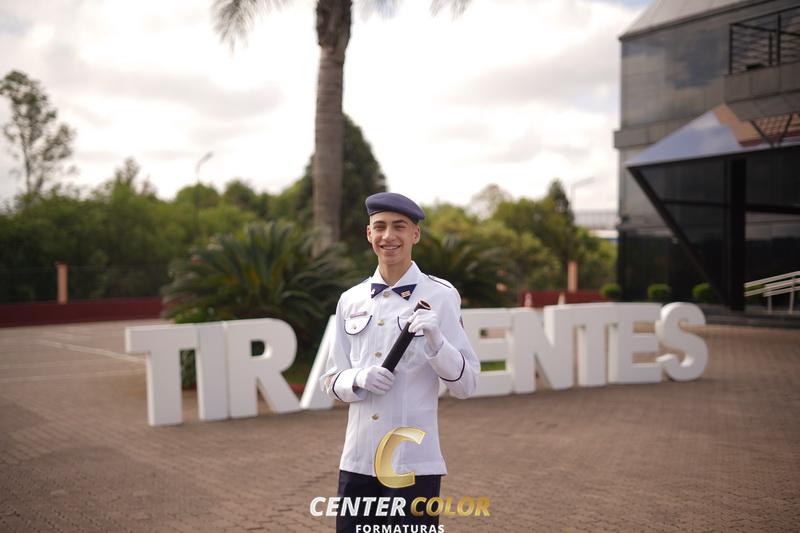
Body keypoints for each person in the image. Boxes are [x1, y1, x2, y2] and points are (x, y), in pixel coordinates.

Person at [321, 192, 479, 532]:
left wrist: (438, 343)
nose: (388, 236)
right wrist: (358, 378)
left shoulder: (441, 296)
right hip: (359, 461)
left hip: (412, 464)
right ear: (369, 234)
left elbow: (467, 385)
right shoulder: (350, 300)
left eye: (399, 226)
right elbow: (331, 379)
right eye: (379, 227)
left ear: (415, 234)